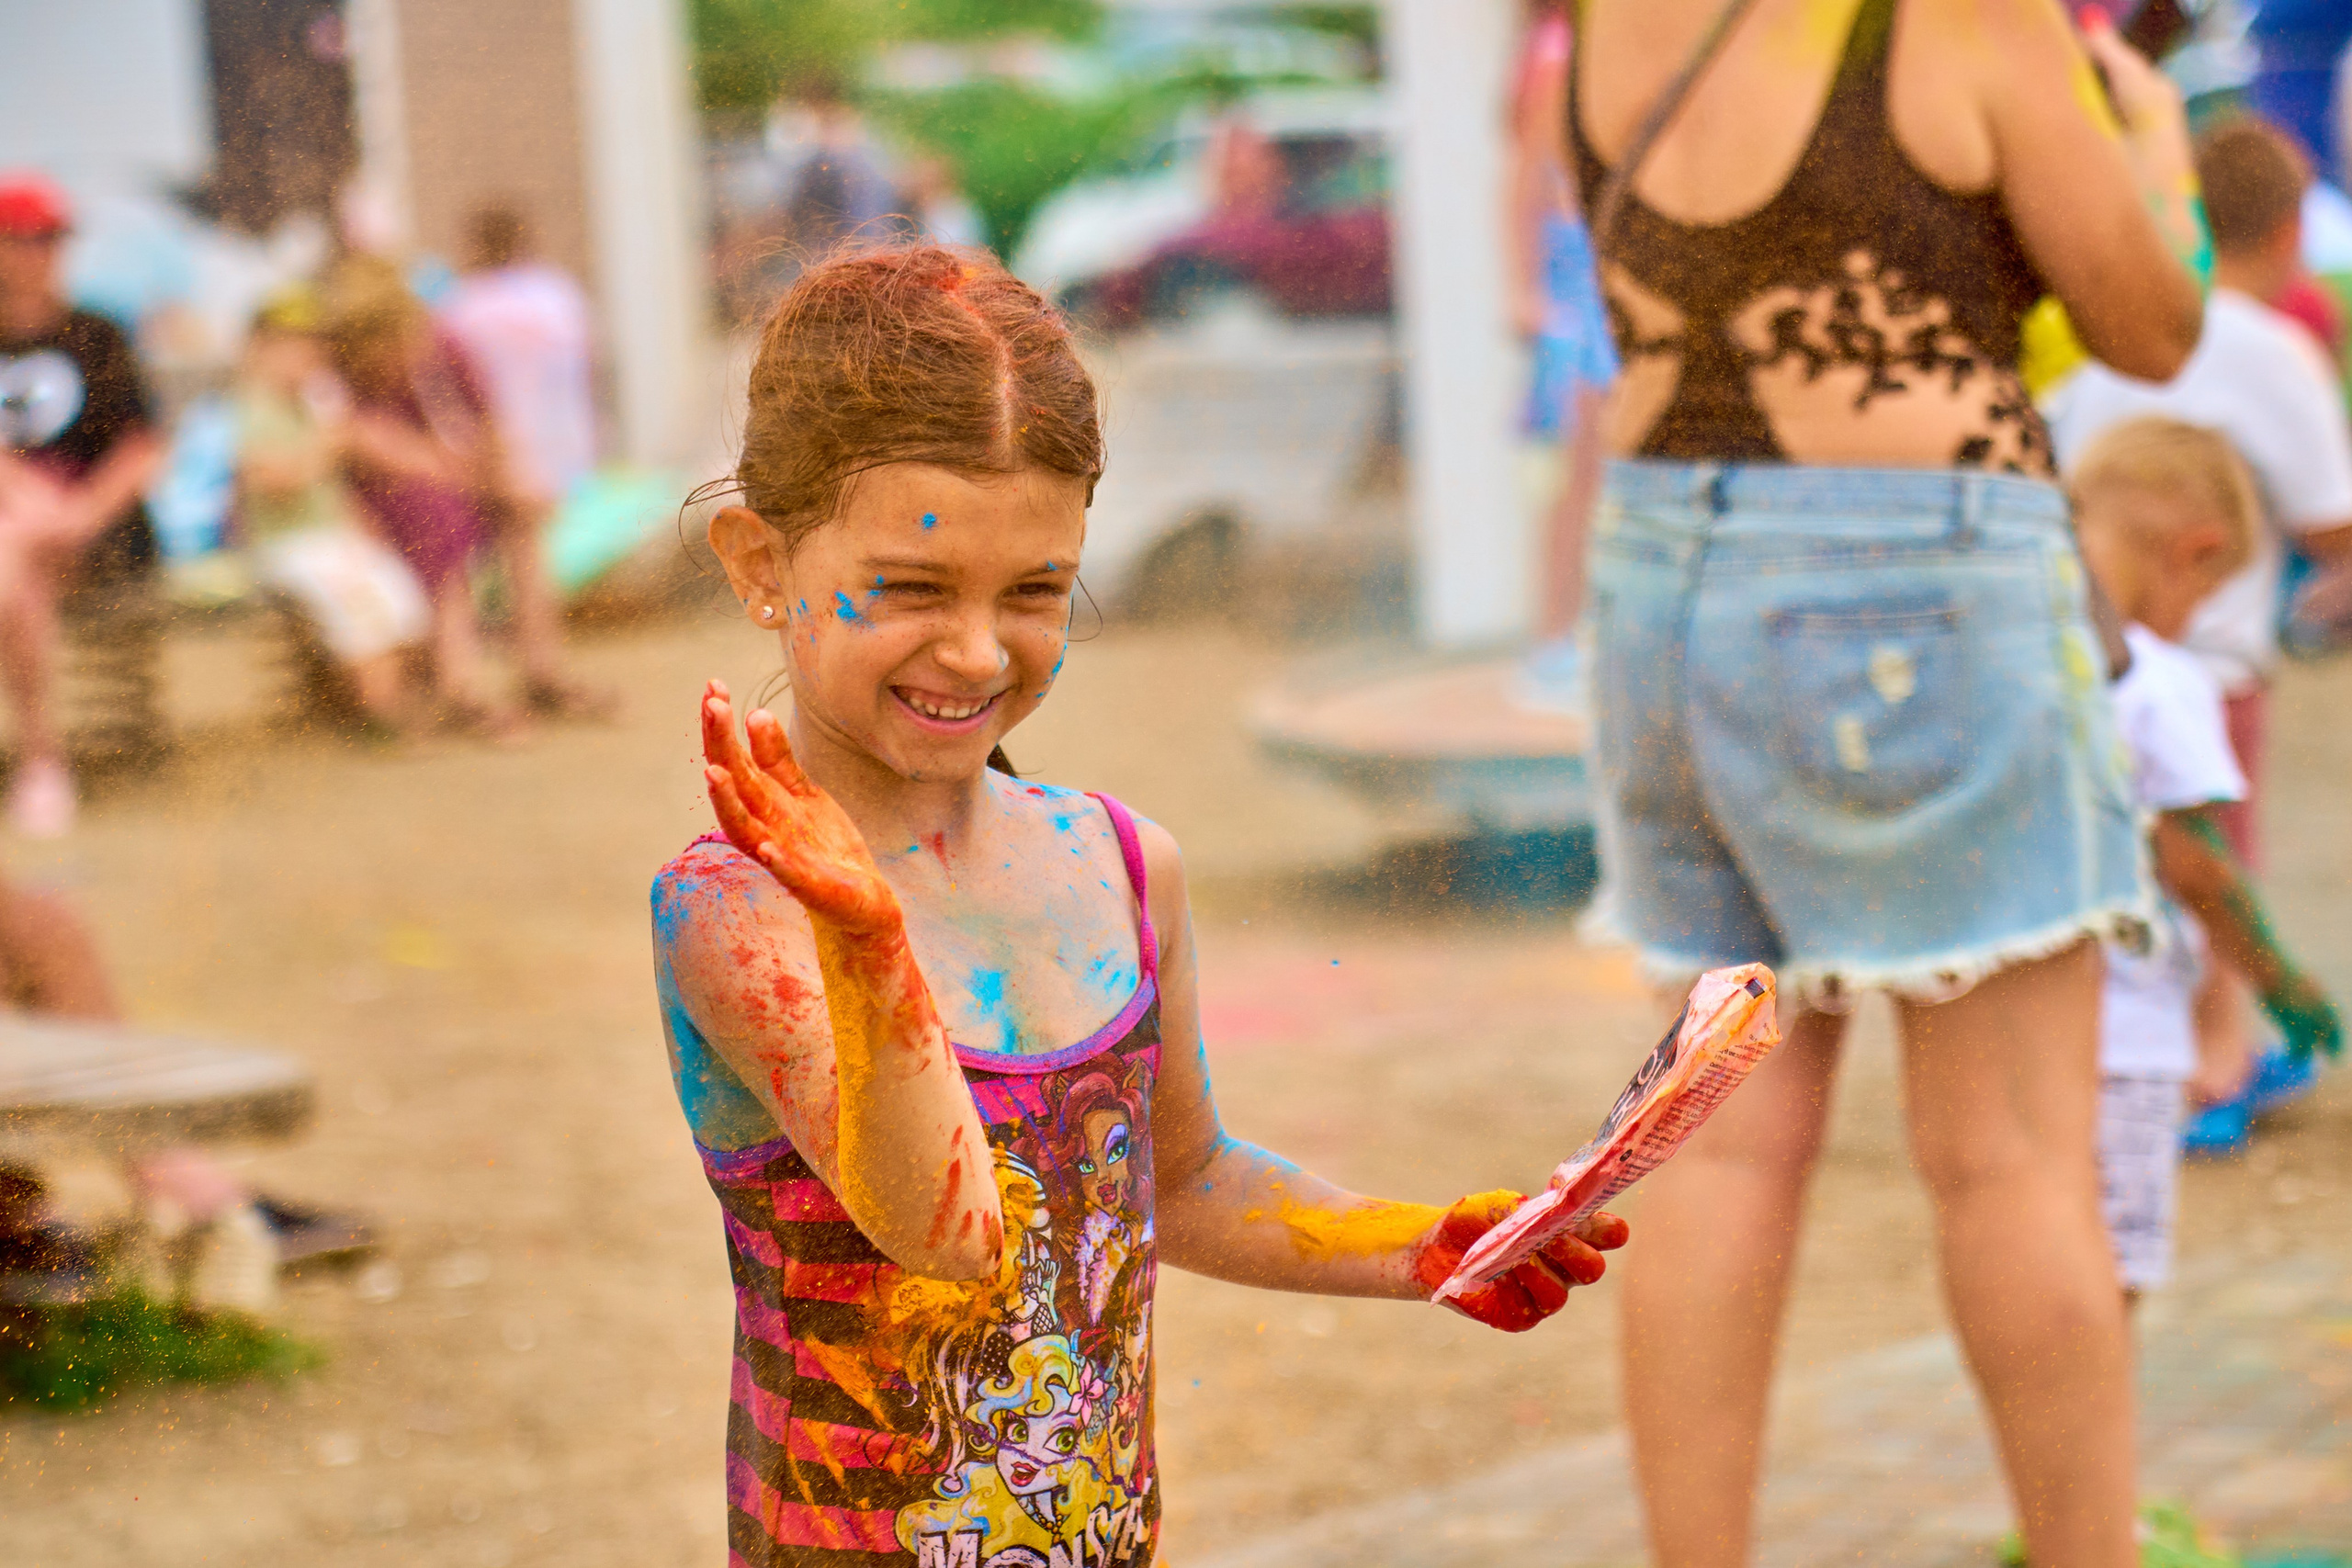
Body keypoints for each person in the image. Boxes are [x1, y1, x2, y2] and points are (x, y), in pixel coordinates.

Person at [651, 244, 1629, 1567]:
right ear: (759, 559)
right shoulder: (740, 911)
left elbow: (1181, 1176)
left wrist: (1417, 1241)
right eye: (917, 588)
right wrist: (868, 939)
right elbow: (944, 1231)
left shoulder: (1117, 861)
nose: (980, 649)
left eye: (1037, 591)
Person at [1565, 4, 2202, 1563]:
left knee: (1718, 1134)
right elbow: (2151, 325)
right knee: (2009, 1158)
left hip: (1660, 569)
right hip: (1914, 574)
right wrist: (2158, 139)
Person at [2046, 114, 2352, 1143]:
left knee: (2118, 868)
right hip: (2209, 666)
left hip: (2080, 657)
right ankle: (2211, 1072)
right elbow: (2329, 516)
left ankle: (2152, 1054)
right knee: (2210, 860)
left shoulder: (2099, 337)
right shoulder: (2273, 352)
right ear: (2282, 235)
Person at [2069, 418, 2340, 1324]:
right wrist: (2282, 981)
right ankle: (2084, 1458)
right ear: (2196, 551)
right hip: (2127, 1037)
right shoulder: (2160, 681)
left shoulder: (2018, 665)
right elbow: (2195, 860)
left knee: (2015, 1231)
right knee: (2113, 1271)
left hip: (2002, 1034)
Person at [0, 172, 167, 838]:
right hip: (20, 534)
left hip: (98, 529)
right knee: (19, 561)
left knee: (18, 559)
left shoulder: (99, 333)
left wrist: (85, 512)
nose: (36, 253)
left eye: (47, 239)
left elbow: (142, 447)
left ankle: (42, 758)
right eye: (21, 240)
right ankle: (43, 757)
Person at [322, 255, 522, 739]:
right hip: (376, 498)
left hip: (437, 488)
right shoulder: (340, 376)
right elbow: (362, 443)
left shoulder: (441, 347)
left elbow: (485, 422)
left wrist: (498, 478)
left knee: (505, 513)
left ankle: (528, 669)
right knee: (436, 515)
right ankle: (460, 683)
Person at [438, 204, 613, 720]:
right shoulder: (558, 296)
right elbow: (589, 366)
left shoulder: (463, 307)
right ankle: (540, 667)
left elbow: (452, 388)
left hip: (489, 451)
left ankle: (475, 679)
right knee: (530, 562)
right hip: (552, 449)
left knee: (467, 567)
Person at [230, 287, 428, 734]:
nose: (310, 359)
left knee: (398, 601)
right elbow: (269, 480)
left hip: (330, 538)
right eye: (297, 347)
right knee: (357, 609)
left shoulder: (308, 409)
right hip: (288, 543)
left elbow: (335, 491)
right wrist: (325, 446)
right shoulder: (254, 408)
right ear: (263, 350)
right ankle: (380, 716)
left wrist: (361, 525)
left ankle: (395, 704)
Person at [1508, 0, 1617, 710]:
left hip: (1620, 269)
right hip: (1580, 280)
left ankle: (1585, 636)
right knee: (1578, 469)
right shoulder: (1559, 53)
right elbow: (1525, 184)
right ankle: (1553, 640)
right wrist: (1523, 290)